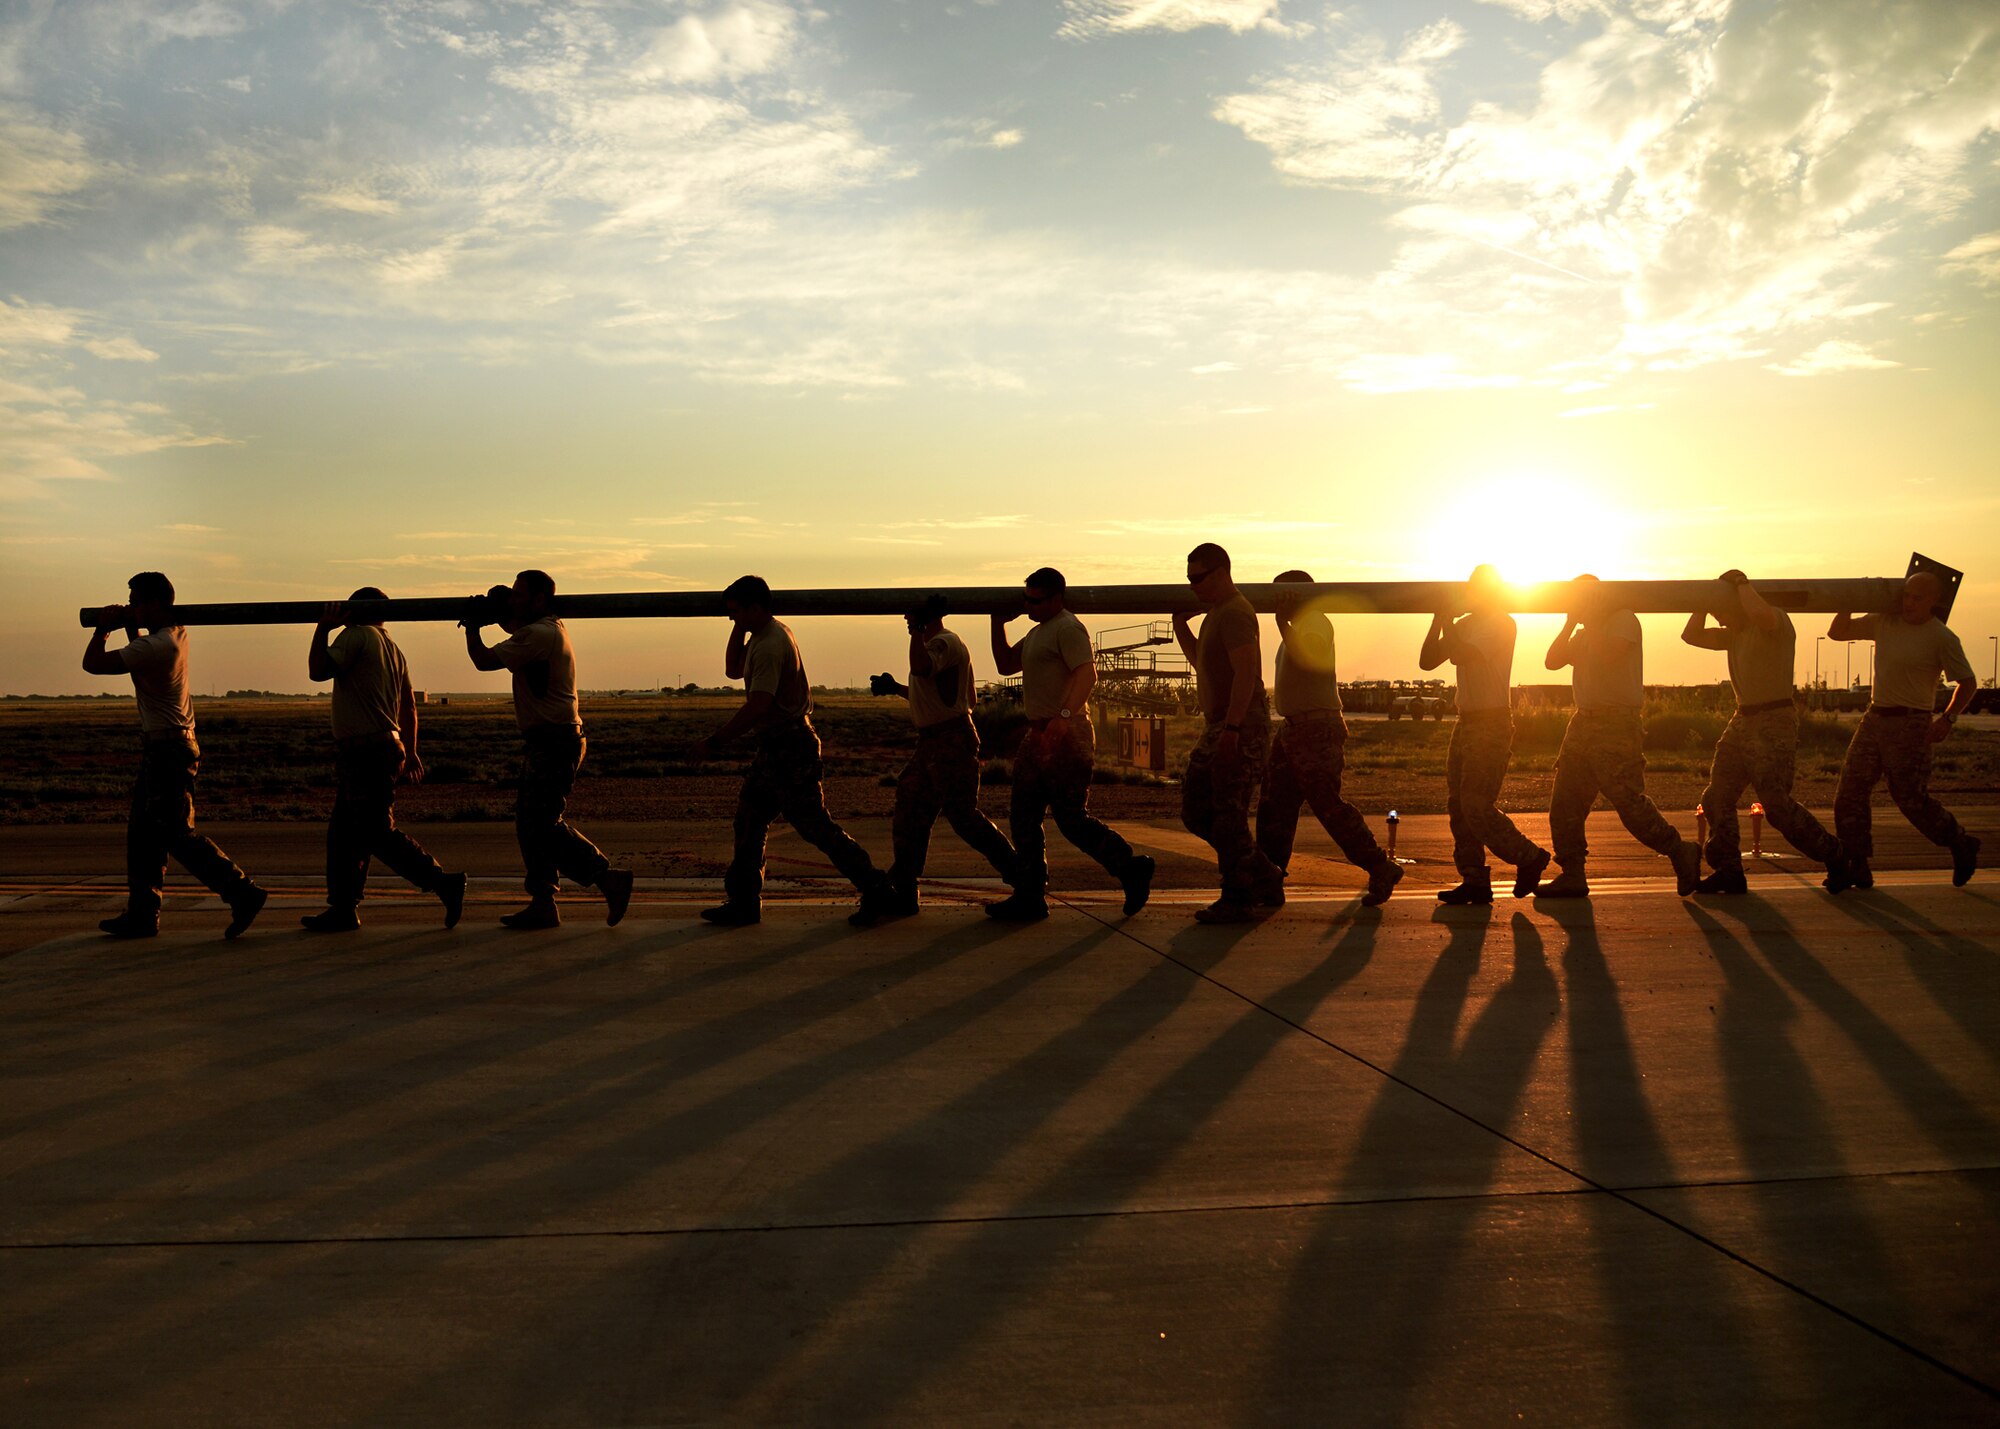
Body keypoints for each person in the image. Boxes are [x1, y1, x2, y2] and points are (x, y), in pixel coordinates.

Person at [693, 575, 896, 927]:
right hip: (775, 745)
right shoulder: (762, 636)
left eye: (736, 612)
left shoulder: (771, 644)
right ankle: (743, 901)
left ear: (755, 608)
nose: (731, 618)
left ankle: (877, 887)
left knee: (813, 826)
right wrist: (739, 627)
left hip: (790, 745)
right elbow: (731, 669)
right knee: (750, 819)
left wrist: (715, 741)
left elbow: (758, 705)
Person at [81, 571, 267, 939]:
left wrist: (102, 628)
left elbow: (93, 664)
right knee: (144, 835)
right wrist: (131, 625)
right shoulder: (175, 633)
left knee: (175, 833)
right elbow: (140, 649)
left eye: (135, 602)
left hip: (169, 749)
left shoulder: (159, 645)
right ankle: (142, 913)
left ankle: (241, 891)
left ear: (154, 604)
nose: (131, 607)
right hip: (166, 746)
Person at [463, 570, 632, 929]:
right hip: (550, 740)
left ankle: (606, 877)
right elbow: (516, 630)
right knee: (531, 825)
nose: (514, 601)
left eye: (519, 595)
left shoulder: (539, 634)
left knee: (541, 824)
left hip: (554, 742)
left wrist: (474, 626)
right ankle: (543, 902)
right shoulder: (544, 630)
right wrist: (500, 613)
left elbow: (484, 660)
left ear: (539, 600)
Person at [986, 567, 1155, 922]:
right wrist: (996, 623)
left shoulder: (1067, 627)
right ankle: (1031, 894)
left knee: (1070, 819)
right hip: (1039, 734)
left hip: (1068, 733)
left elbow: (1087, 673)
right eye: (1026, 598)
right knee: (1023, 817)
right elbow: (1004, 666)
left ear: (1056, 598)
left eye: (1036, 599)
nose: (1028, 605)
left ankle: (1129, 867)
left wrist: (1064, 716)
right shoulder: (1037, 633)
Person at [1237, 566, 1398, 916]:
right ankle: (1269, 880)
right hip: (1295, 728)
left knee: (1327, 805)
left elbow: (1309, 659)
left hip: (1316, 728)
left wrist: (1282, 622)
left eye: (1282, 597)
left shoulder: (1315, 623)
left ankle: (1379, 866)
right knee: (1274, 808)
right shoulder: (1298, 627)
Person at [301, 589, 465, 931]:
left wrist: (322, 629)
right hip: (385, 747)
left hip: (365, 751)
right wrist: (412, 749)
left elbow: (318, 671)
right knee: (345, 834)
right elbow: (409, 707)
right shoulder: (394, 649)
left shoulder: (356, 636)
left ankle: (442, 882)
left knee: (374, 832)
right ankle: (343, 908)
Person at [1680, 570, 1850, 894]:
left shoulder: (1775, 622)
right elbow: (1691, 635)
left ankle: (1837, 855)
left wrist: (1741, 584)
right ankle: (1730, 870)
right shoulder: (1733, 634)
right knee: (1716, 797)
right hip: (1742, 720)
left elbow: (1760, 614)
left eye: (1721, 608)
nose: (1717, 617)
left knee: (1776, 807)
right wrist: (1704, 601)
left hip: (1775, 719)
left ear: (1740, 601)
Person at [1537, 575, 1701, 899]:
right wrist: (1570, 622)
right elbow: (1552, 661)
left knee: (1628, 803)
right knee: (1565, 803)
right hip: (1583, 722)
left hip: (1616, 724)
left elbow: (1608, 655)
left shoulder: (1623, 620)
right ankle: (1572, 873)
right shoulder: (1584, 632)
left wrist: (1593, 619)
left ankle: (1679, 850)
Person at [1827, 569, 1980, 887]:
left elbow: (1967, 682)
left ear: (1933, 601)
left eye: (1917, 597)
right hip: (1875, 718)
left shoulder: (1941, 637)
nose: (1909, 602)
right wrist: (1849, 601)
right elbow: (1837, 632)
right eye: (1906, 595)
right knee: (1849, 793)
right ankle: (1856, 863)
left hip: (1911, 723)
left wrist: (1948, 719)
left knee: (1910, 797)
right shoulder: (1884, 621)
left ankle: (1960, 841)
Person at [874, 594, 1020, 914]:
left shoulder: (943, 643)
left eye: (911, 618)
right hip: (932, 741)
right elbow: (960, 697)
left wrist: (916, 631)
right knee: (910, 809)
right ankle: (905, 889)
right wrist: (897, 688)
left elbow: (923, 668)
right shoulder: (940, 646)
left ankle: (1023, 879)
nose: (907, 621)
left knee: (963, 817)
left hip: (950, 741)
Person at [1418, 564, 1548, 904]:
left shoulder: (1501, 623)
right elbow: (1427, 661)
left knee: (1476, 803)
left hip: (1491, 723)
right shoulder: (1466, 624)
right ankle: (1474, 878)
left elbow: (1461, 654)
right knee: (1458, 807)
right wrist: (1438, 618)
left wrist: (1448, 620)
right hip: (1466, 722)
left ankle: (1529, 856)